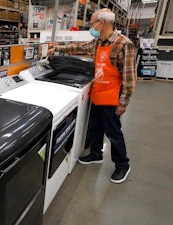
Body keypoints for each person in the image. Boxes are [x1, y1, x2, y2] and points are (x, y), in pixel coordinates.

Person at [47, 8, 136, 184]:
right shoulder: (98, 42)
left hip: (112, 98)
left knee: (113, 133)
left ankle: (122, 165)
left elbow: (129, 78)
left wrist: (123, 102)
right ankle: (96, 154)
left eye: (92, 23)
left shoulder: (123, 44)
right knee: (95, 128)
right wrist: (58, 48)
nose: (91, 26)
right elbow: (79, 48)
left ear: (101, 23)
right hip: (98, 94)